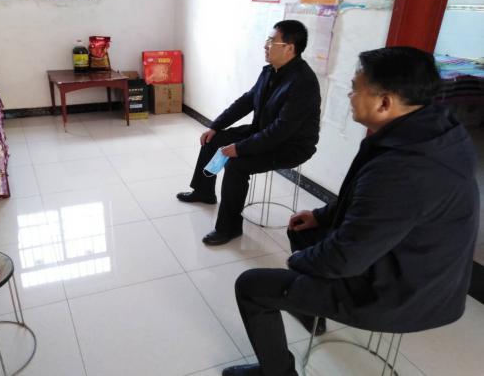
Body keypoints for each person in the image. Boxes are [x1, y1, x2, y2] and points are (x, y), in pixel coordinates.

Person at [223, 46, 480, 376]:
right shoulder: (433, 131)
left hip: (406, 292)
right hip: (418, 265)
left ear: (384, 103)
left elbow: (345, 257)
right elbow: (368, 203)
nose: (349, 95)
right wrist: (322, 216)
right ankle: (308, 307)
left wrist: (297, 262)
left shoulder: (403, 169)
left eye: (356, 88)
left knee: (252, 286)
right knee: (303, 227)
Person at [176, 20, 321, 246]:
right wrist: (216, 125)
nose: (265, 45)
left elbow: (280, 131)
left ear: (289, 48)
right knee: (214, 140)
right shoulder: (270, 71)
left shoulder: (303, 83)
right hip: (263, 132)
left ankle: (229, 228)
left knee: (236, 165)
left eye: (271, 41)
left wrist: (240, 148)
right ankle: (204, 191)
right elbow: (247, 101)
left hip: (290, 146)